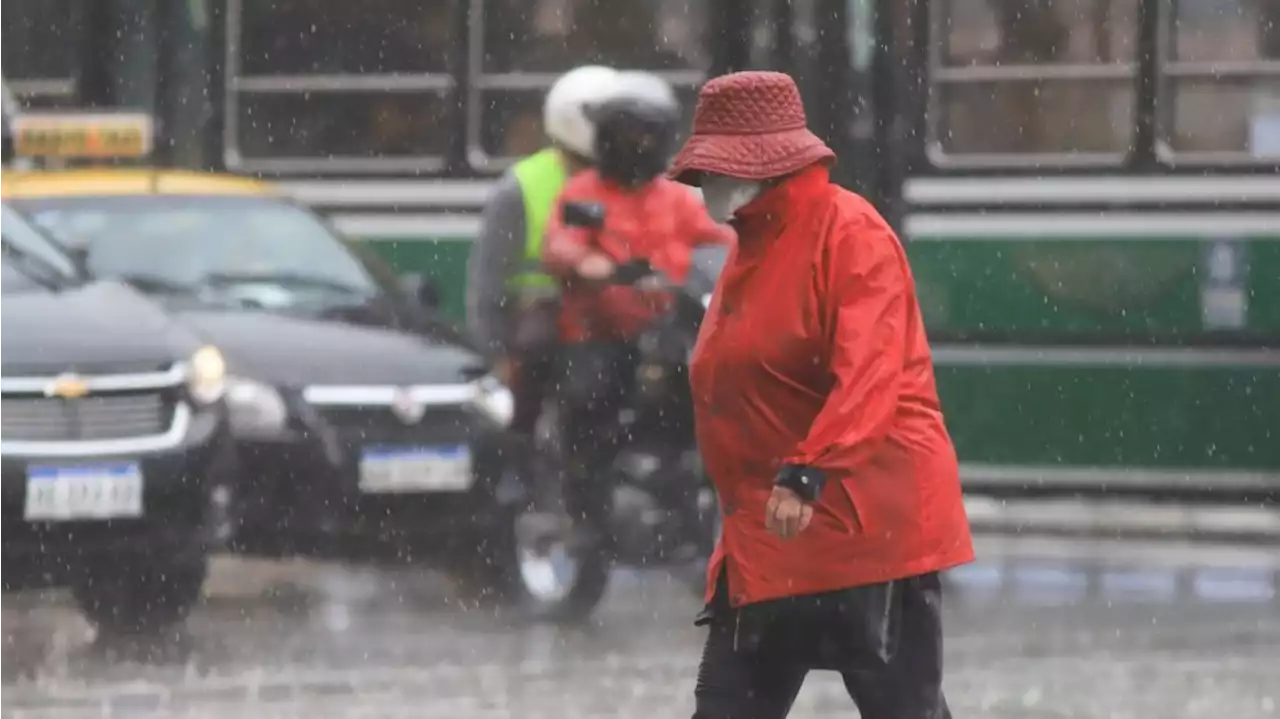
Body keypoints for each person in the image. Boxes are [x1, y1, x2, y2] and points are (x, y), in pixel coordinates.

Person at [668, 71, 974, 719]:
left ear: (762, 170)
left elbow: (869, 372)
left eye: (716, 173)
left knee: (902, 707)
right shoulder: (754, 245)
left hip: (863, 525)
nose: (706, 190)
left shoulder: (848, 233)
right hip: (768, 535)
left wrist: (808, 470)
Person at [540, 70, 733, 522]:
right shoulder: (584, 194)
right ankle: (585, 503)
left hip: (669, 331)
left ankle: (687, 485)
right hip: (600, 331)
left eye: (649, 133)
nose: (639, 143)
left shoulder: (678, 197)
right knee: (592, 397)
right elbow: (562, 242)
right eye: (629, 132)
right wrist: (591, 265)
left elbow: (723, 239)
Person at [466, 64, 620, 436]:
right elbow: (489, 282)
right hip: (542, 331)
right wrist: (498, 356)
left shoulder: (635, 178)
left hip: (612, 325)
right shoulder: (520, 187)